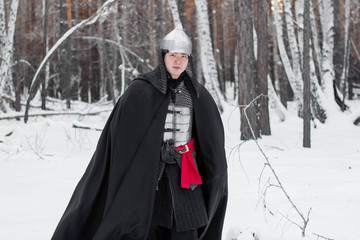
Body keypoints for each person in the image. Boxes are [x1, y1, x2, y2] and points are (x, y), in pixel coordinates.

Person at [51, 24, 228, 240]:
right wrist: (156, 152)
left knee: (187, 228)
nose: (178, 61)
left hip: (186, 177)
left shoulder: (198, 94)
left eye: (183, 56)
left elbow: (210, 145)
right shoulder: (141, 90)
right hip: (151, 179)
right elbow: (123, 143)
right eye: (173, 55)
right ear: (163, 56)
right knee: (150, 228)